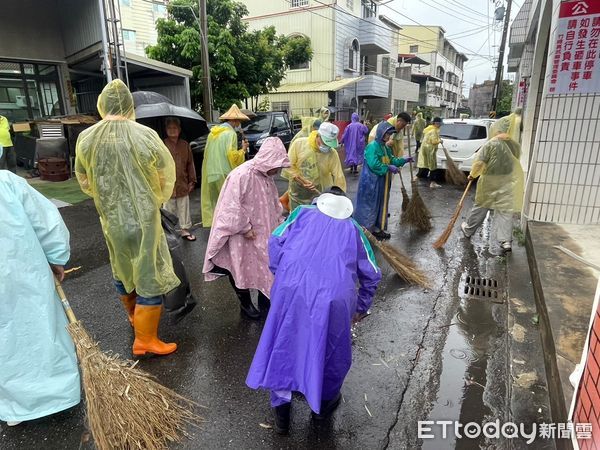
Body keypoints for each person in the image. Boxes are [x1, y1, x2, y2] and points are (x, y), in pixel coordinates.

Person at [246, 188, 382, 435]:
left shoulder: (300, 213)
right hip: (333, 300)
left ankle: (282, 418)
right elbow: (372, 274)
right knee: (330, 351)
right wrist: (361, 308)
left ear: (320, 202)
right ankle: (321, 410)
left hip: (290, 290)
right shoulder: (354, 230)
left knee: (284, 346)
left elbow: (275, 241)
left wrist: (281, 272)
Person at [75, 79, 180, 357]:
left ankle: (134, 317)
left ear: (102, 103)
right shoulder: (144, 134)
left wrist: (106, 197)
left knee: (121, 267)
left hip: (112, 219)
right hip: (143, 218)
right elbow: (164, 173)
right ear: (129, 105)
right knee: (148, 272)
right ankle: (145, 339)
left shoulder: (87, 138)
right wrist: (152, 196)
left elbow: (84, 179)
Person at [0, 170, 80, 427]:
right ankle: (55, 393)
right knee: (38, 325)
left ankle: (13, 405)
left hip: (19, 273)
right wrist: (56, 257)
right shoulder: (6, 182)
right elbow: (45, 222)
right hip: (23, 272)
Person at [203, 137, 291, 320]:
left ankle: (264, 301)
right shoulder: (241, 175)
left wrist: (280, 221)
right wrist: (244, 227)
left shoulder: (267, 176)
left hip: (264, 231)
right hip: (243, 234)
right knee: (240, 267)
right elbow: (230, 206)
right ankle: (245, 303)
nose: (278, 169)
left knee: (266, 267)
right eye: (277, 164)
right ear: (268, 159)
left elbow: (273, 203)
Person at [461, 115, 524, 253]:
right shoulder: (514, 145)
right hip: (507, 181)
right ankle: (506, 241)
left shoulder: (490, 144)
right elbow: (515, 161)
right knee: (505, 210)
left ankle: (468, 230)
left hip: (489, 181)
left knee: (481, 206)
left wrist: (473, 174)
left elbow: (480, 162)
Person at [354, 121, 413, 240]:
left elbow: (392, 160)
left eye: (390, 134)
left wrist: (403, 161)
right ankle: (365, 230)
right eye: (387, 133)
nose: (388, 136)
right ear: (381, 133)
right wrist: (388, 167)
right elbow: (374, 164)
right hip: (370, 183)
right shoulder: (372, 147)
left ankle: (377, 228)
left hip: (382, 182)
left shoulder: (385, 148)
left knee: (380, 205)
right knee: (369, 206)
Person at [201, 104, 250, 227]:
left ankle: (217, 227)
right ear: (235, 120)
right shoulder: (230, 134)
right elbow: (233, 157)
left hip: (211, 173)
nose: (239, 124)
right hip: (224, 172)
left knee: (215, 203)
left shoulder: (213, 133)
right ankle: (228, 227)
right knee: (227, 202)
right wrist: (243, 149)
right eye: (239, 121)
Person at [283, 121, 346, 210]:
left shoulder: (332, 153)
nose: (326, 146)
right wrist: (301, 180)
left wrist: (339, 198)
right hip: (298, 193)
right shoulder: (299, 144)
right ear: (318, 136)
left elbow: (339, 176)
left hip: (319, 195)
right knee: (298, 219)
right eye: (324, 142)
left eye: (329, 144)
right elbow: (288, 165)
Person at [163, 117, 197, 241]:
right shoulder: (162, 144)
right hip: (167, 184)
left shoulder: (185, 145)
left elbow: (190, 163)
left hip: (182, 182)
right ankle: (168, 231)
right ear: (166, 130)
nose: (172, 130)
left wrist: (192, 181)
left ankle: (184, 230)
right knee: (168, 208)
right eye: (169, 128)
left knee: (184, 207)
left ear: (179, 129)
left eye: (175, 128)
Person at [416, 116, 443, 189]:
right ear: (437, 123)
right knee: (433, 166)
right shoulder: (434, 131)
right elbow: (434, 141)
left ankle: (415, 179)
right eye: (439, 124)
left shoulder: (428, 129)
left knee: (424, 165)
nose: (440, 125)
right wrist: (440, 141)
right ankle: (432, 183)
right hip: (430, 150)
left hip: (424, 149)